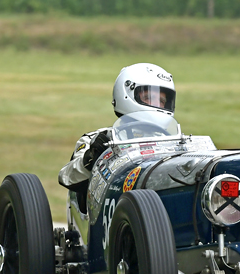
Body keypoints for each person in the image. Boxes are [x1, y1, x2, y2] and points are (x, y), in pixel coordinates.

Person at [58, 63, 176, 196]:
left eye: (161, 100)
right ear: (126, 95)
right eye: (148, 98)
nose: (157, 105)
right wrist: (91, 158)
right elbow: (66, 177)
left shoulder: (172, 142)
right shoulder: (99, 139)